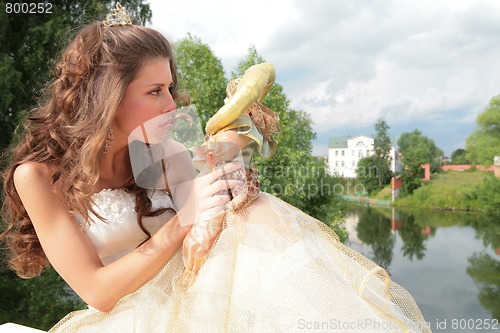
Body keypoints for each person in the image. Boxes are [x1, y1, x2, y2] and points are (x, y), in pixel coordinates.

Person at [1, 4, 432, 333]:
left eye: (170, 87)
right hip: (130, 313)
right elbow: (97, 291)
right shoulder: (38, 177)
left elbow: (218, 220)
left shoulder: (160, 149)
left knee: (256, 211)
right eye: (155, 91)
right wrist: (181, 223)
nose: (172, 104)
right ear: (105, 97)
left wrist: (232, 174)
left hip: (190, 295)